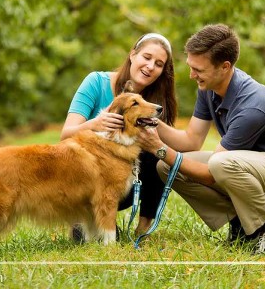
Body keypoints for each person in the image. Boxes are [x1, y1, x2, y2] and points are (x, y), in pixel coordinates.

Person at [138, 24, 265, 254]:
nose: (192, 75)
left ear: (225, 67)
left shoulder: (253, 106)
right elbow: (191, 141)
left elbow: (211, 174)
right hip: (255, 166)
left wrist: (159, 148)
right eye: (191, 67)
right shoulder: (208, 89)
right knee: (167, 167)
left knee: (218, 163)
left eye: (198, 69)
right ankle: (241, 226)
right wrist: (149, 120)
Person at [61, 33, 178, 239]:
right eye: (147, 57)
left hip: (126, 184)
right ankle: (85, 218)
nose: (151, 66)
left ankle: (143, 230)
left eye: (159, 64)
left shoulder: (153, 103)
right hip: (88, 180)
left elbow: (182, 143)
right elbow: (65, 136)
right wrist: (94, 124)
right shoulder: (96, 82)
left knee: (157, 155)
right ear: (133, 55)